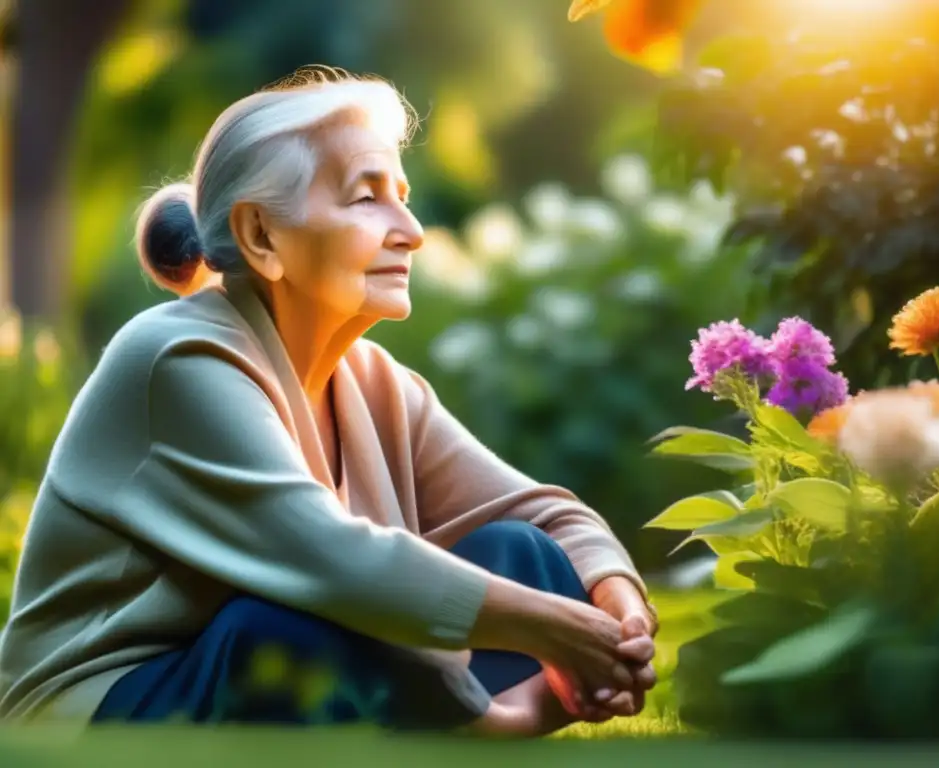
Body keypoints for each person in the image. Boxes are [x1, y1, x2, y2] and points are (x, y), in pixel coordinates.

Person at [0, 67, 658, 737]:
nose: (410, 230)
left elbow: (544, 513)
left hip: (294, 659)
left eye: (402, 197)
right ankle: (459, 737)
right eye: (366, 199)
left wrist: (619, 611)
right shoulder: (176, 359)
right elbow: (330, 564)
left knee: (526, 553)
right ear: (261, 236)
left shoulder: (372, 380)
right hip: (105, 714)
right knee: (292, 624)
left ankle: (437, 734)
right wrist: (533, 664)